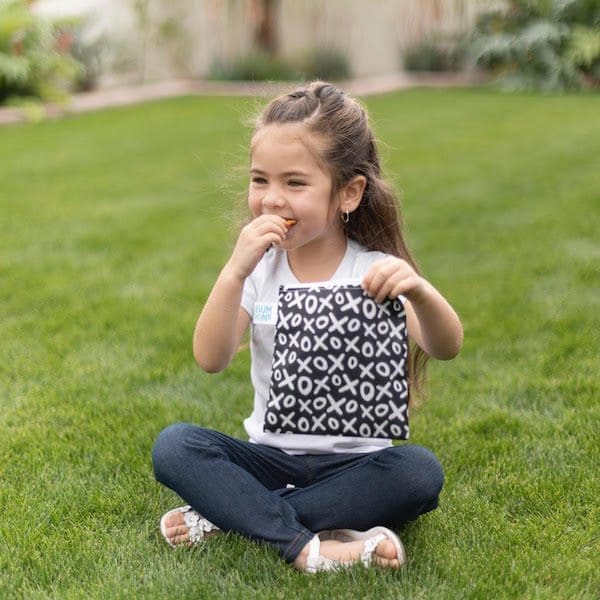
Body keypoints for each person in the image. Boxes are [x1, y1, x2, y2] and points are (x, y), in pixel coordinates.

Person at [152, 81, 463, 572]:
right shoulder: (257, 271)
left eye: (294, 183)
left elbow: (444, 346)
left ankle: (233, 517)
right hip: (269, 460)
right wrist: (234, 271)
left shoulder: (375, 270)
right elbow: (211, 359)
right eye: (260, 181)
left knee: (418, 473)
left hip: (356, 464)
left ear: (349, 193)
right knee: (175, 446)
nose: (272, 199)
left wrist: (420, 291)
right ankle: (319, 545)